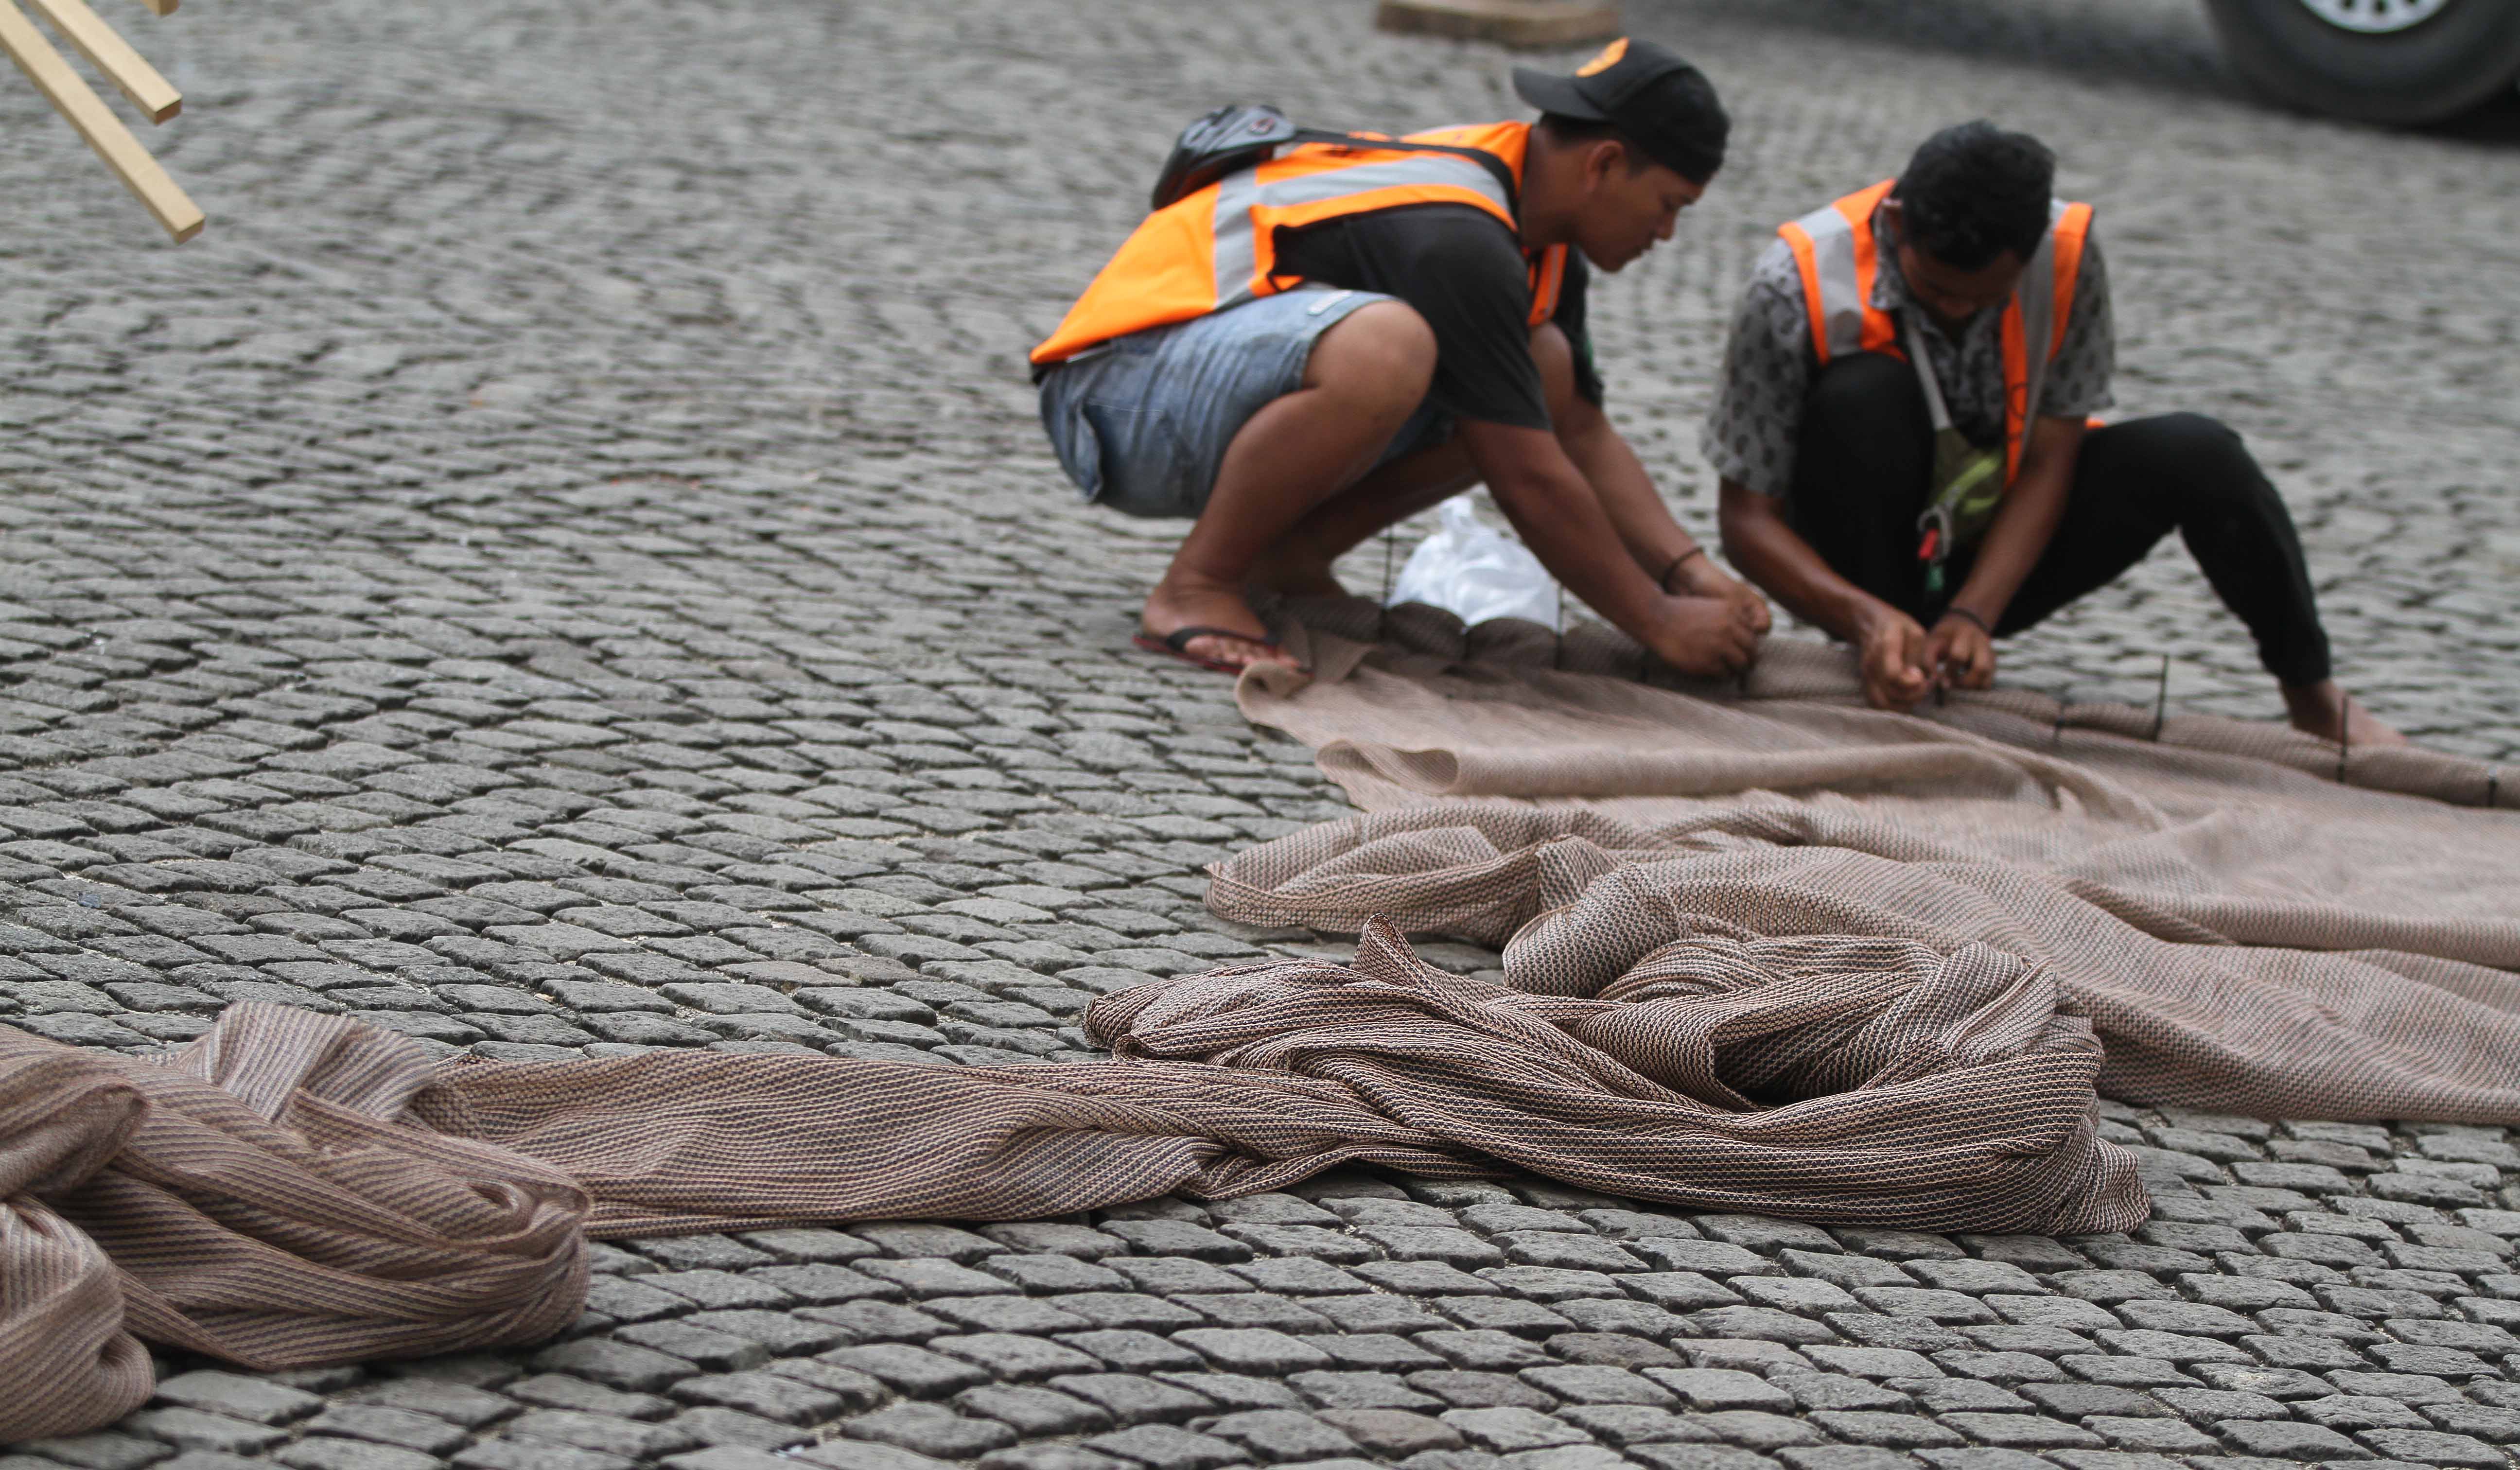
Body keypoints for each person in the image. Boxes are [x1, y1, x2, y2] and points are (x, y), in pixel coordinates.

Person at [1032, 38, 1769, 676]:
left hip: (1181, 396)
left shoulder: (1534, 232)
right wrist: (1655, 622)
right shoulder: (1459, 234)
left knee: (1544, 367)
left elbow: (1577, 431)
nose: (1666, 234)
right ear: (1604, 164)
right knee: (1387, 348)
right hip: (1112, 400)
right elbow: (1526, 477)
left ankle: (1285, 559)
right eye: (1670, 204)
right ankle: (1197, 585)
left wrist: (1691, 576)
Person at [1708, 120, 2402, 745]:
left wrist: (1974, 616)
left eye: (1986, 297)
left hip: (1997, 543)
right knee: (1863, 395)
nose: (1958, 311)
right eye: (1937, 290)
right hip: (1858, 558)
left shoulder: (2064, 254)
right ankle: (1889, 649)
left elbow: (2051, 458)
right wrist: (1866, 618)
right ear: (1896, 222)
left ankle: (2313, 697)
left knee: (2200, 453)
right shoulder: (1794, 282)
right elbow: (1745, 521)